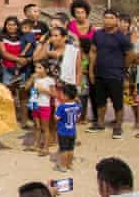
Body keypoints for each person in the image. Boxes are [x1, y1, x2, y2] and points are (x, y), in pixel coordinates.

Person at [88, 10, 134, 139]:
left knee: (117, 102)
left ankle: (118, 126)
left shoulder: (122, 37)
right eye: (106, 17)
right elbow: (93, 52)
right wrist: (91, 71)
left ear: (116, 20)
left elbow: (130, 55)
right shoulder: (97, 34)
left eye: (111, 18)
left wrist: (123, 68)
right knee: (100, 101)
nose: (108, 20)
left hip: (115, 75)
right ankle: (100, 123)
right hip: (99, 74)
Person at [24, 60, 55, 156]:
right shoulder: (35, 79)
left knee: (45, 127)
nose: (36, 69)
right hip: (34, 104)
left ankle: (46, 148)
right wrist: (31, 78)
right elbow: (26, 88)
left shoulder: (50, 80)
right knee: (36, 126)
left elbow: (54, 94)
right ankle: (35, 144)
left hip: (44, 105)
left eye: (39, 67)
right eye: (36, 67)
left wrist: (44, 90)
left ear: (45, 69)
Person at [55, 83, 80, 173]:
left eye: (61, 93)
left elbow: (56, 118)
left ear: (66, 96)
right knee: (71, 149)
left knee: (64, 150)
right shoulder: (77, 106)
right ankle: (69, 164)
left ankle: (63, 166)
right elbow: (78, 116)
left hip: (63, 131)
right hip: (72, 131)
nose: (60, 95)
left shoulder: (61, 107)